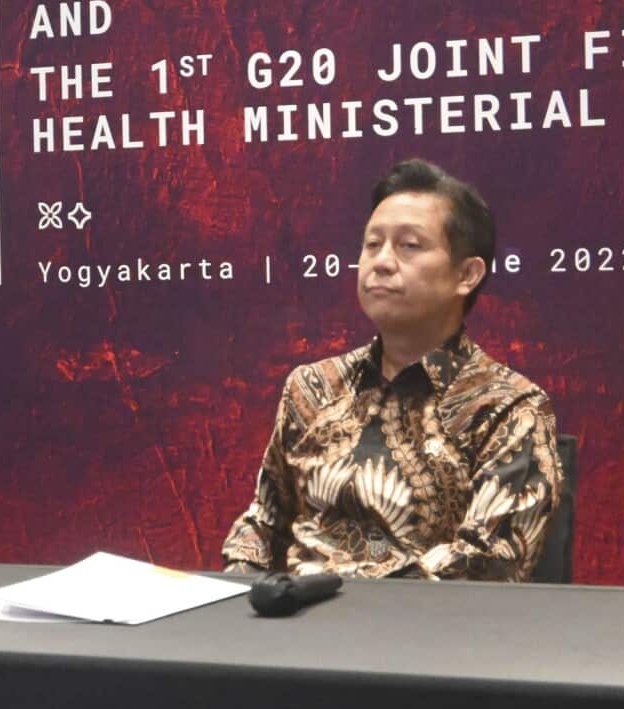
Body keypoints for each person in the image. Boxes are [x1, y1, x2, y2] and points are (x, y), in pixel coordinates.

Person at [221, 159, 562, 581]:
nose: (381, 262)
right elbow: (263, 523)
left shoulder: (508, 408)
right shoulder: (312, 387)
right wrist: (235, 590)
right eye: (372, 244)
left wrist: (339, 599)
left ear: (467, 275)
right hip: (292, 614)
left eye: (409, 246)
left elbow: (487, 563)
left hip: (418, 619)